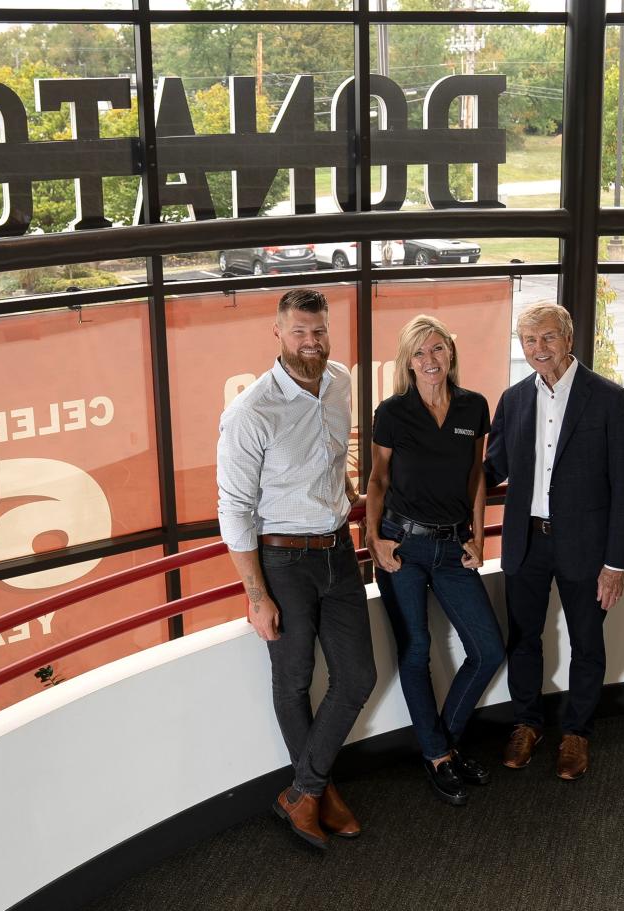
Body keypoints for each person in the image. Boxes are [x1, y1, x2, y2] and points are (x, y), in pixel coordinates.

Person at [217, 287, 377, 850]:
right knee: (295, 681)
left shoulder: (339, 382)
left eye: (319, 330)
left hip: (336, 549)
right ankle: (318, 793)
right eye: (300, 332)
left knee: (358, 677)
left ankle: (303, 792)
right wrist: (255, 594)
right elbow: (234, 507)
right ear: (278, 333)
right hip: (281, 559)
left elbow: (333, 457)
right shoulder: (250, 412)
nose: (312, 341)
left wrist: (351, 497)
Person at [485, 302, 624, 781]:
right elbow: (491, 469)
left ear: (568, 339)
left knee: (587, 643)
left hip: (588, 549)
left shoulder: (609, 399)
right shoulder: (512, 400)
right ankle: (527, 722)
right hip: (526, 543)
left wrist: (615, 563)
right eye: (529, 341)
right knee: (523, 640)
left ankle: (576, 732)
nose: (538, 349)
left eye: (548, 338)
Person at [364, 314, 504, 806]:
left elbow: (475, 478)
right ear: (407, 361)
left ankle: (441, 740)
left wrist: (479, 537)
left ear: (451, 353)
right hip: (400, 543)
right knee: (417, 648)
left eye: (437, 350)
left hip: (451, 546)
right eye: (419, 353)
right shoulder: (392, 412)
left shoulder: (474, 407)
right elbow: (377, 480)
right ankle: (439, 755)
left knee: (489, 649)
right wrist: (372, 542)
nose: (430, 361)